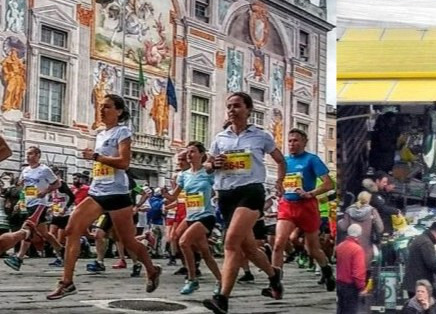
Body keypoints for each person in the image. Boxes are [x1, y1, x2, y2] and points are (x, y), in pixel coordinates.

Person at [47, 94, 161, 299]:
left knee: (128, 242)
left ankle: (151, 269)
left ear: (118, 111)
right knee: (72, 229)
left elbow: (124, 163)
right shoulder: (99, 134)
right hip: (97, 191)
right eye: (101, 107)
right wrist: (95, 161)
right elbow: (101, 163)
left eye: (107, 107)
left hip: (117, 193)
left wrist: (97, 157)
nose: (102, 110)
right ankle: (67, 282)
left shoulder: (123, 131)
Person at [202, 92, 285, 314]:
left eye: (237, 106)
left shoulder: (261, 136)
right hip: (226, 194)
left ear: (248, 110)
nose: (232, 110)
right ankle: (274, 275)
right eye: (229, 106)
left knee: (231, 243)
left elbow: (280, 160)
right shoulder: (220, 137)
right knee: (248, 247)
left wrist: (279, 182)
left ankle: (222, 298)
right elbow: (208, 165)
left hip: (251, 192)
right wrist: (213, 164)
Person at [271, 128, 336, 291]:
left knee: (312, 248)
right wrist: (279, 189)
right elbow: (281, 183)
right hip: (287, 205)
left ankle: (327, 270)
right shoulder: (283, 162)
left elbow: (329, 184)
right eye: (290, 141)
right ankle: (275, 282)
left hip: (307, 207)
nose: (292, 144)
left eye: (296, 140)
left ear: (304, 142)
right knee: (279, 243)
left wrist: (310, 193)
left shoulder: (311, 160)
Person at [166, 141, 222, 295]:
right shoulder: (183, 175)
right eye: (188, 152)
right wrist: (165, 194)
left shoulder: (208, 173)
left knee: (184, 242)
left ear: (201, 154)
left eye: (192, 152)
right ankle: (221, 280)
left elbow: (217, 187)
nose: (189, 155)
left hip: (206, 216)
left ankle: (192, 279)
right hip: (191, 215)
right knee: (205, 252)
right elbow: (173, 196)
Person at [4, 146, 63, 271]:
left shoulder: (44, 169)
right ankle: (61, 250)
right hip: (28, 203)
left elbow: (57, 183)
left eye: (31, 154)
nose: (28, 156)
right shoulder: (25, 170)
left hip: (40, 203)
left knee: (27, 227)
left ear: (37, 155)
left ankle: (18, 258)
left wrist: (45, 191)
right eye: (27, 154)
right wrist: (20, 202)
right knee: (44, 233)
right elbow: (24, 188)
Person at [338, 191, 382, 270]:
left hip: (351, 246)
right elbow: (380, 228)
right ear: (369, 200)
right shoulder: (372, 211)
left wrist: (339, 221)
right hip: (367, 247)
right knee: (363, 271)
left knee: (351, 270)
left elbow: (343, 227)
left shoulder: (349, 210)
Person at [402, 222, 436, 298]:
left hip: (413, 282)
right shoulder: (427, 243)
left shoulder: (421, 238)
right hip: (419, 283)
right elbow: (432, 264)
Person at [336, 223, 366, 314]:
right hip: (350, 287)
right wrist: (361, 287)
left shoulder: (340, 246)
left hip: (339, 284)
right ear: (359, 235)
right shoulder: (357, 249)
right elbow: (358, 272)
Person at [48, 176, 76, 267]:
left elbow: (72, 197)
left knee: (61, 238)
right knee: (51, 234)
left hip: (65, 214)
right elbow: (52, 198)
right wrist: (50, 206)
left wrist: (66, 208)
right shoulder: (50, 186)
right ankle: (59, 255)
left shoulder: (62, 185)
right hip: (56, 213)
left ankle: (61, 258)